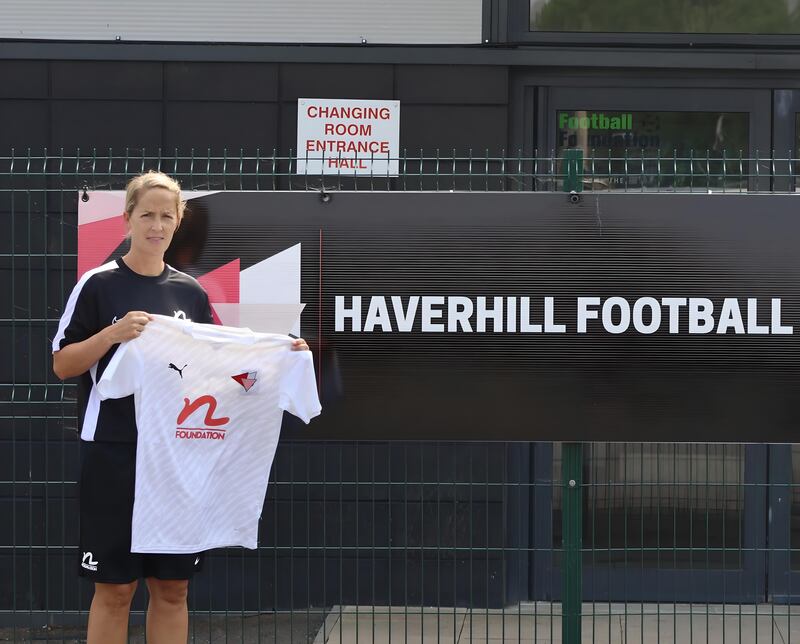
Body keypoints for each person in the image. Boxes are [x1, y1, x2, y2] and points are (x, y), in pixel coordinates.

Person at [52, 171, 309, 644]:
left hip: (176, 456)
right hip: (114, 453)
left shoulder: (190, 292)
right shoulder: (97, 284)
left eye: (166, 217)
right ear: (127, 219)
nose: (156, 226)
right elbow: (63, 364)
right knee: (116, 589)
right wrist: (111, 335)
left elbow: (214, 370)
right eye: (146, 215)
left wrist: (280, 360)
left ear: (178, 222)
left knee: (172, 589)